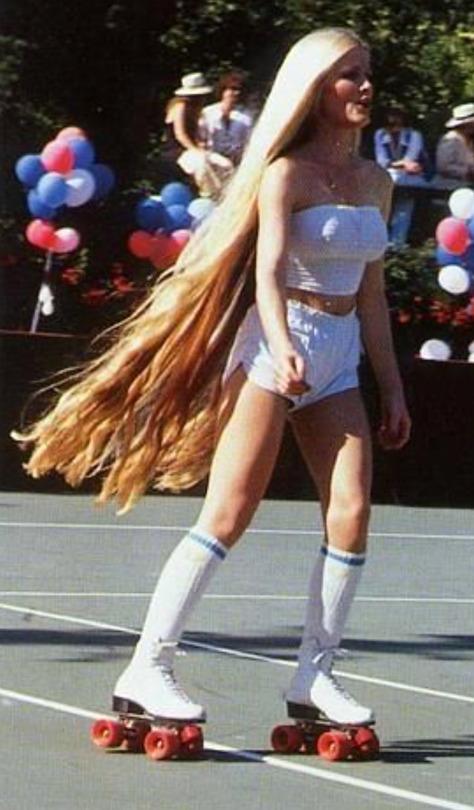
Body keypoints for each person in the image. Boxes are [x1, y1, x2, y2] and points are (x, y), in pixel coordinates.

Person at [14, 28, 410, 729]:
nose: (364, 86)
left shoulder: (378, 183)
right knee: (228, 513)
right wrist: (284, 347)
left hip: (340, 354)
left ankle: (315, 677)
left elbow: (372, 293)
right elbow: (266, 271)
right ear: (315, 89)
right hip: (275, 347)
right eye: (348, 75)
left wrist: (393, 386)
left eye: (366, 73)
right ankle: (149, 665)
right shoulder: (285, 174)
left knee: (351, 511)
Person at [160, 72, 233, 197]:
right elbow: (180, 134)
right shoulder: (179, 106)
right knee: (201, 164)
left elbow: (197, 134)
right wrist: (196, 150)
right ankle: (210, 194)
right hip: (177, 150)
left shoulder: (198, 109)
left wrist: (202, 147)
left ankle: (228, 192)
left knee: (225, 165)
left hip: (192, 149)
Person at [374, 107, 429, 247]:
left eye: (397, 123)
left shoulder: (414, 135)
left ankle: (397, 244)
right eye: (390, 124)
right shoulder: (380, 135)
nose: (393, 127)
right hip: (392, 177)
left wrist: (398, 164)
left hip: (413, 179)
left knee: (404, 206)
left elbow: (412, 159)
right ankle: (381, 242)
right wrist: (402, 164)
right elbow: (382, 161)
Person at [199, 71, 253, 166]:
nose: (237, 93)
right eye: (233, 89)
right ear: (223, 90)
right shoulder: (208, 112)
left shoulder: (247, 115)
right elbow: (202, 138)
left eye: (240, 90)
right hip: (211, 157)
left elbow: (249, 141)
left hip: (239, 160)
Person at [435, 103, 474, 188]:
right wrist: (467, 171)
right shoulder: (450, 140)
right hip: (450, 187)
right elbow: (443, 167)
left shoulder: (470, 139)